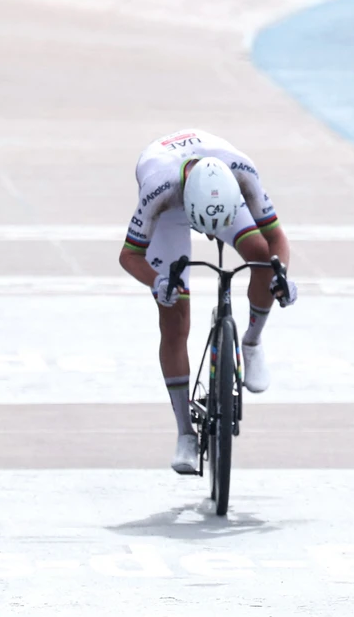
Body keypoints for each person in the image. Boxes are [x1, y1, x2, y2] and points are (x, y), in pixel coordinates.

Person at [119, 128, 298, 474]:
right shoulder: (159, 189)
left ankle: (252, 342)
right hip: (170, 213)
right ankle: (185, 433)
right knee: (174, 316)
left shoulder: (242, 172)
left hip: (219, 198)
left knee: (264, 259)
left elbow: (276, 236)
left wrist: (281, 276)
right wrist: (158, 283)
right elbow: (129, 255)